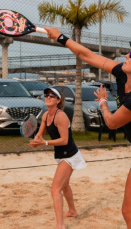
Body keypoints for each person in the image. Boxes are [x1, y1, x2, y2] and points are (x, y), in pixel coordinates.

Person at [44, 27, 131, 229]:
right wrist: (61, 37)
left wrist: (103, 103)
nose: (126, 56)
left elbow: (112, 123)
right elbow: (87, 55)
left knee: (130, 211)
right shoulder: (122, 72)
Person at [29, 87, 87, 229]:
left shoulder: (60, 116)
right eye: (46, 95)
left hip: (70, 155)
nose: (48, 97)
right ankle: (72, 210)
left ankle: (60, 225)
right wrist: (36, 140)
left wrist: (45, 143)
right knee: (64, 185)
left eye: (52, 96)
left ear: (58, 100)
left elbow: (65, 140)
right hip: (61, 155)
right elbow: (40, 134)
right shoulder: (45, 115)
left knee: (55, 189)